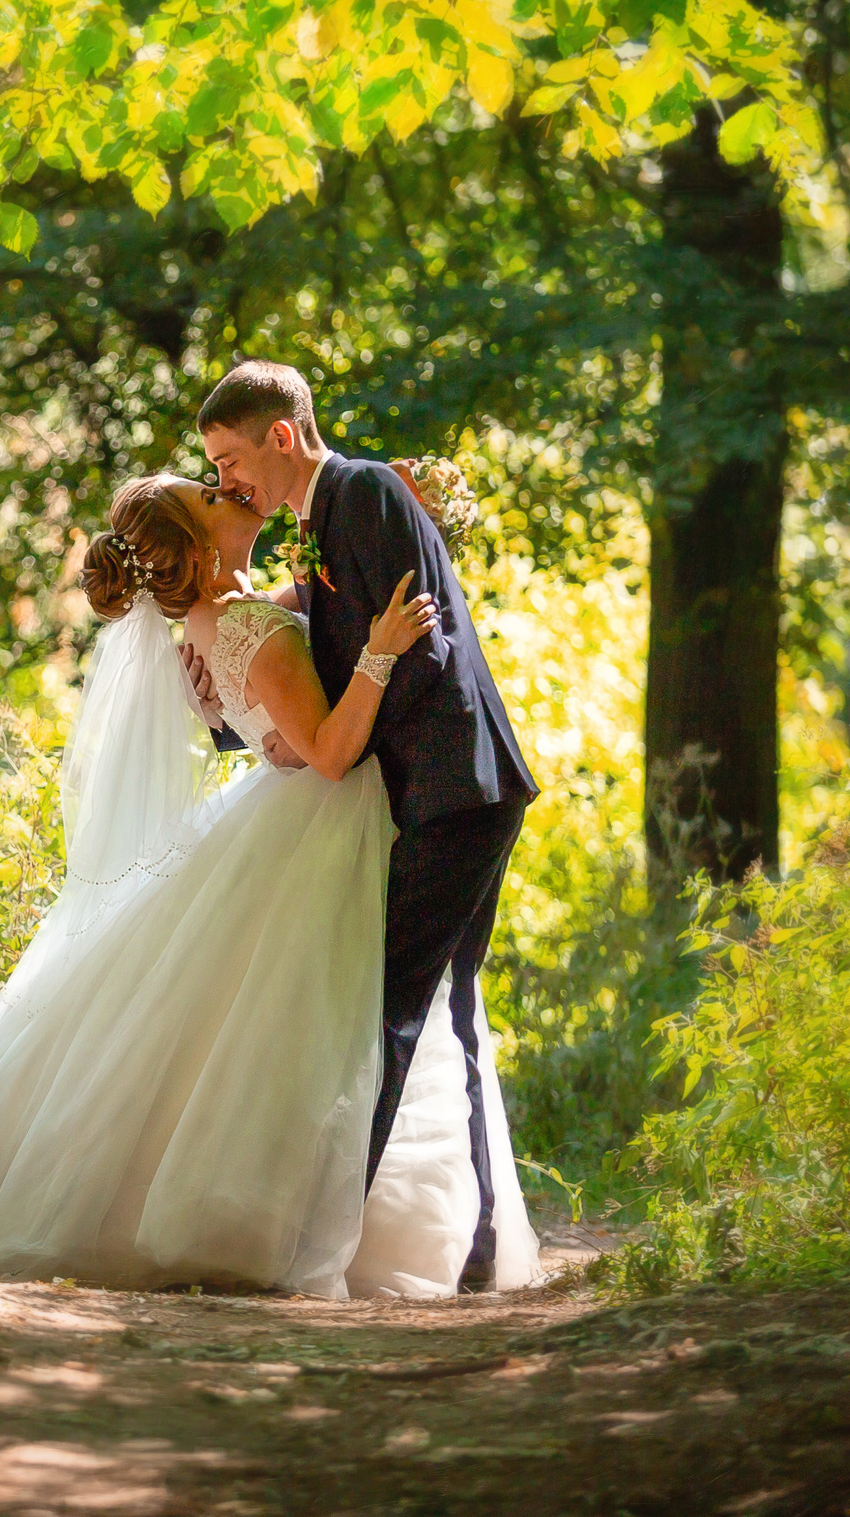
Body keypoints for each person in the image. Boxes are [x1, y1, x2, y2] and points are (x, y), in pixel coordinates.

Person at [0, 463, 539, 1296]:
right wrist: (379, 654)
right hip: (321, 827)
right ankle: (281, 1224)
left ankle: (331, 1216)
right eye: (209, 497)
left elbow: (293, 678)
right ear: (198, 549)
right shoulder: (244, 624)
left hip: (294, 822)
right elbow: (325, 750)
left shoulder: (229, 615)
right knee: (322, 1023)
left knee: (282, 1025)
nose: (229, 491)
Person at [193, 359, 541, 1291]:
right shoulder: (321, 520)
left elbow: (419, 652)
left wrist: (330, 746)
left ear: (280, 435)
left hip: (454, 789)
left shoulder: (367, 492)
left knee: (387, 1011)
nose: (227, 482)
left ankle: (322, 1240)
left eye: (229, 460)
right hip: (442, 793)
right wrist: (240, 704)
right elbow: (327, 653)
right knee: (438, 1011)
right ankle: (474, 1242)